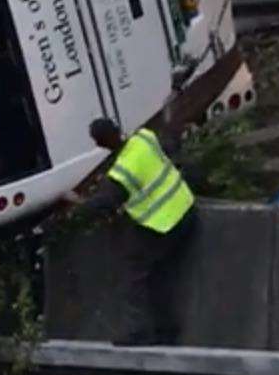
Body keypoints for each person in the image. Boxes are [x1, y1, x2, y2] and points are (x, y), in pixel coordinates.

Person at [63, 115, 198, 346]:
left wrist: (72, 213)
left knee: (133, 273)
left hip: (163, 223)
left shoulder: (122, 172)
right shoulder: (144, 138)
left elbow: (105, 202)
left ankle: (138, 332)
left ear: (99, 143)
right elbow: (170, 143)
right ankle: (166, 331)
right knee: (159, 273)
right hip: (186, 209)